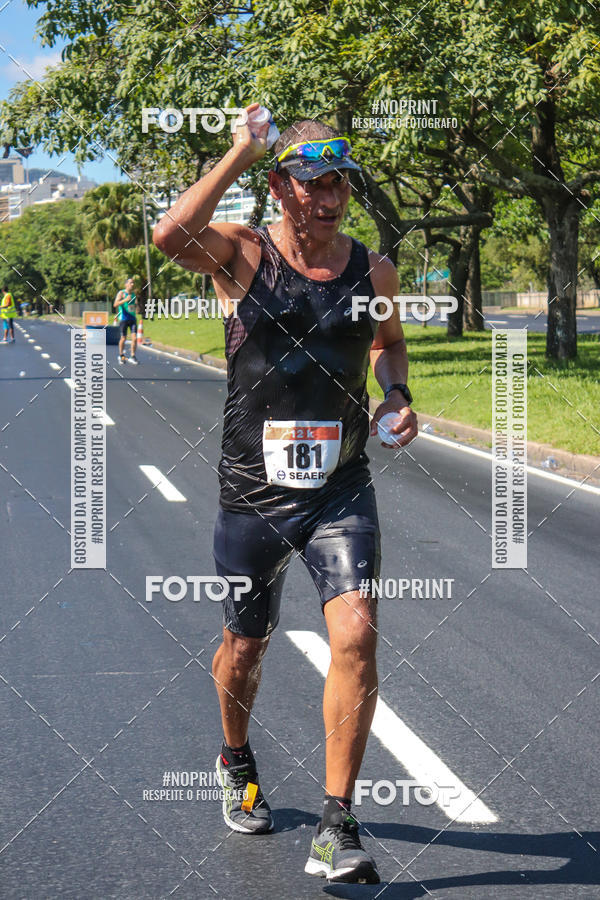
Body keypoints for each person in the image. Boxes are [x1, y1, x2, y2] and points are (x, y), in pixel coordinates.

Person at [153, 104, 418, 885]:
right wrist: (240, 150)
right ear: (281, 188)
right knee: (246, 647)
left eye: (340, 182)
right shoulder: (241, 256)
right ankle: (235, 755)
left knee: (358, 634)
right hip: (253, 493)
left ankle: (337, 824)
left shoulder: (374, 270)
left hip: (342, 489)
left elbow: (390, 344)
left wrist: (396, 395)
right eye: (313, 183)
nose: (331, 198)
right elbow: (170, 237)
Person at [113, 277, 139, 364]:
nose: (132, 284)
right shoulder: (121, 293)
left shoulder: (133, 295)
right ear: (126, 284)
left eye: (133, 283)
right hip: (123, 319)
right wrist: (125, 300)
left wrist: (136, 308)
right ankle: (121, 355)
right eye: (130, 283)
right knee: (123, 338)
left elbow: (134, 305)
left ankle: (133, 356)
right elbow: (115, 304)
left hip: (132, 318)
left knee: (134, 338)